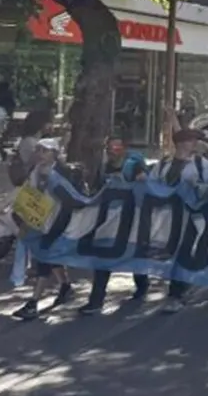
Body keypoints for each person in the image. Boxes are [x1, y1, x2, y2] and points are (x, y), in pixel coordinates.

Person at [79, 134, 150, 315]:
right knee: (103, 258)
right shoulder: (104, 168)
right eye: (109, 148)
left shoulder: (133, 165)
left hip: (130, 220)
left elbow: (145, 182)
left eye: (116, 148)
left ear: (124, 149)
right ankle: (96, 300)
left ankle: (142, 283)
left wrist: (142, 178)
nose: (112, 151)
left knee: (134, 254)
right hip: (109, 222)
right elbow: (97, 191)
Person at [152, 128, 208, 314]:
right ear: (181, 143)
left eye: (195, 141)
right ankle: (178, 288)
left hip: (193, 215)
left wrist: (197, 187)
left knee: (184, 251)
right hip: (169, 216)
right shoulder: (164, 163)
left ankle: (176, 294)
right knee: (170, 252)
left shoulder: (201, 163)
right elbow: (154, 184)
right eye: (191, 141)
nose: (195, 144)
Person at [11, 139, 74, 321]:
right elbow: (28, 196)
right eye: (38, 150)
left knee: (43, 260)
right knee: (48, 257)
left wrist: (57, 227)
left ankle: (33, 303)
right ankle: (65, 286)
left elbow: (68, 201)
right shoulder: (36, 172)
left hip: (55, 223)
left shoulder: (62, 173)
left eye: (45, 150)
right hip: (39, 223)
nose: (40, 154)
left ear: (54, 153)